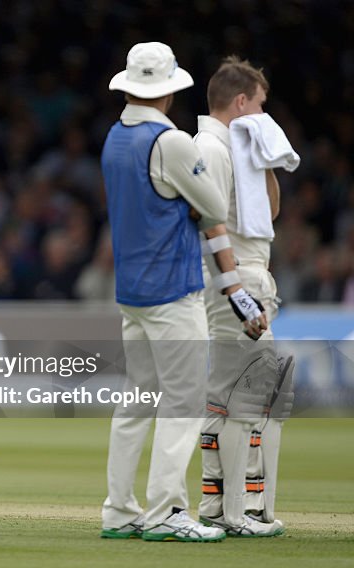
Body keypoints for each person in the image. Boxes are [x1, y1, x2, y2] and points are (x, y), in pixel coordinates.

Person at [98, 42, 259, 542]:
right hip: (171, 290)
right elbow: (215, 208)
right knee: (183, 404)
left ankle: (120, 510)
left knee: (137, 404)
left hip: (131, 292)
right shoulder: (169, 140)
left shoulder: (113, 137)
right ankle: (167, 510)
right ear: (168, 92)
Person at [194, 56, 292, 537]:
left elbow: (267, 213)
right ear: (240, 102)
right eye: (260, 105)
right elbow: (208, 223)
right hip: (235, 279)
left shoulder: (236, 146)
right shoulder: (209, 148)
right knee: (245, 399)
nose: (264, 114)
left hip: (248, 275)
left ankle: (222, 506)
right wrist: (236, 292)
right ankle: (239, 512)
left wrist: (268, 158)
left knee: (233, 398)